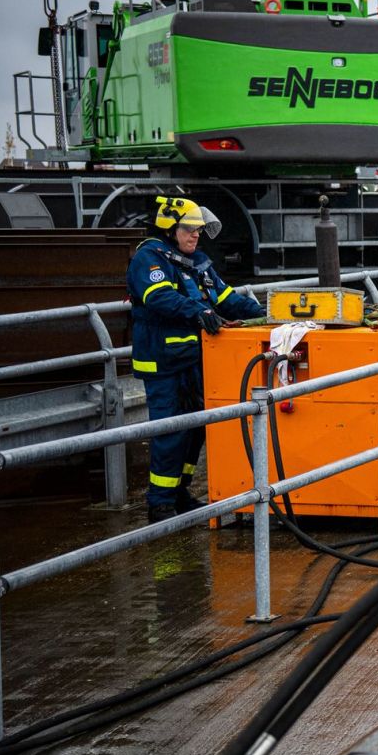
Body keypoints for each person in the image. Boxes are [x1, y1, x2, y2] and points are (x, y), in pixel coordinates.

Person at [127, 196, 264, 522]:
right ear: (170, 229)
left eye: (199, 230)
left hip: (193, 361)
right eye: (189, 229)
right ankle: (159, 504)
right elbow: (159, 298)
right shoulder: (149, 259)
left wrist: (266, 314)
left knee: (197, 429)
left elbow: (226, 297)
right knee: (171, 431)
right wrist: (200, 312)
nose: (195, 236)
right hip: (163, 364)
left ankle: (179, 493)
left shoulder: (195, 263)